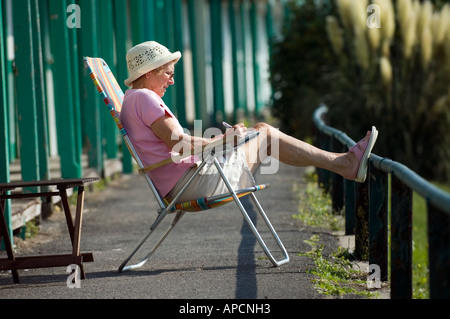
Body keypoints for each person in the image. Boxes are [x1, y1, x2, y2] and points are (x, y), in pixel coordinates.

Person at [120, 41, 378, 203]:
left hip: (187, 182)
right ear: (151, 71)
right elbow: (180, 144)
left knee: (258, 132)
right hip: (195, 184)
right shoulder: (146, 98)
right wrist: (225, 140)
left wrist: (226, 142)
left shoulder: (131, 100)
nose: (171, 80)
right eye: (168, 73)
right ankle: (345, 164)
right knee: (265, 133)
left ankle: (344, 163)